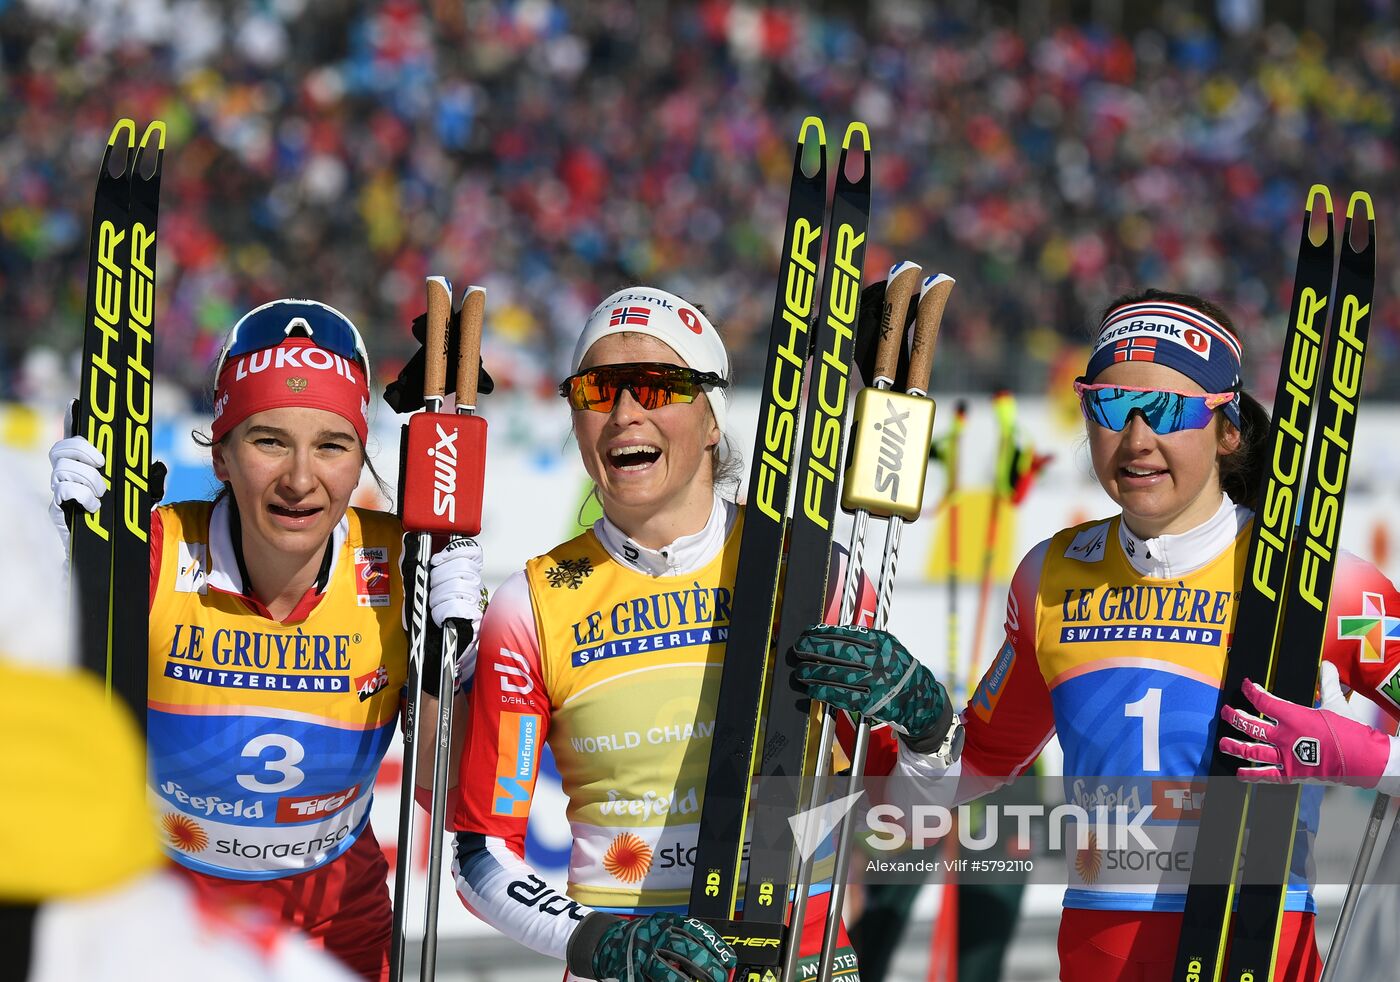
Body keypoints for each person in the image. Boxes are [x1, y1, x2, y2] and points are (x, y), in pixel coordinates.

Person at [790, 288, 1400, 981]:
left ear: (1227, 428)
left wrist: (1358, 754)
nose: (1137, 438)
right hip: (1095, 955)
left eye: (1169, 410)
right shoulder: (1050, 575)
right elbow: (962, 782)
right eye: (1110, 406)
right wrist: (926, 730)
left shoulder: (1320, 583)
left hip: (1253, 946)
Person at [450, 286, 935, 982]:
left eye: (656, 387)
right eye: (596, 390)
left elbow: (914, 808)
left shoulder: (811, 571)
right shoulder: (530, 604)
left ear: (713, 419)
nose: (623, 414)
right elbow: (479, 853)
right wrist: (601, 942)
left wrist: (925, 722)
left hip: (799, 958)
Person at [45, 299, 486, 981]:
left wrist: (442, 666)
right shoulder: (158, 550)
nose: (301, 480)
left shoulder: (403, 565)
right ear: (220, 453)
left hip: (334, 919)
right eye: (269, 441)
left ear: (361, 459)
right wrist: (65, 562)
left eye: (332, 446)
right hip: (164, 912)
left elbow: (439, 783)